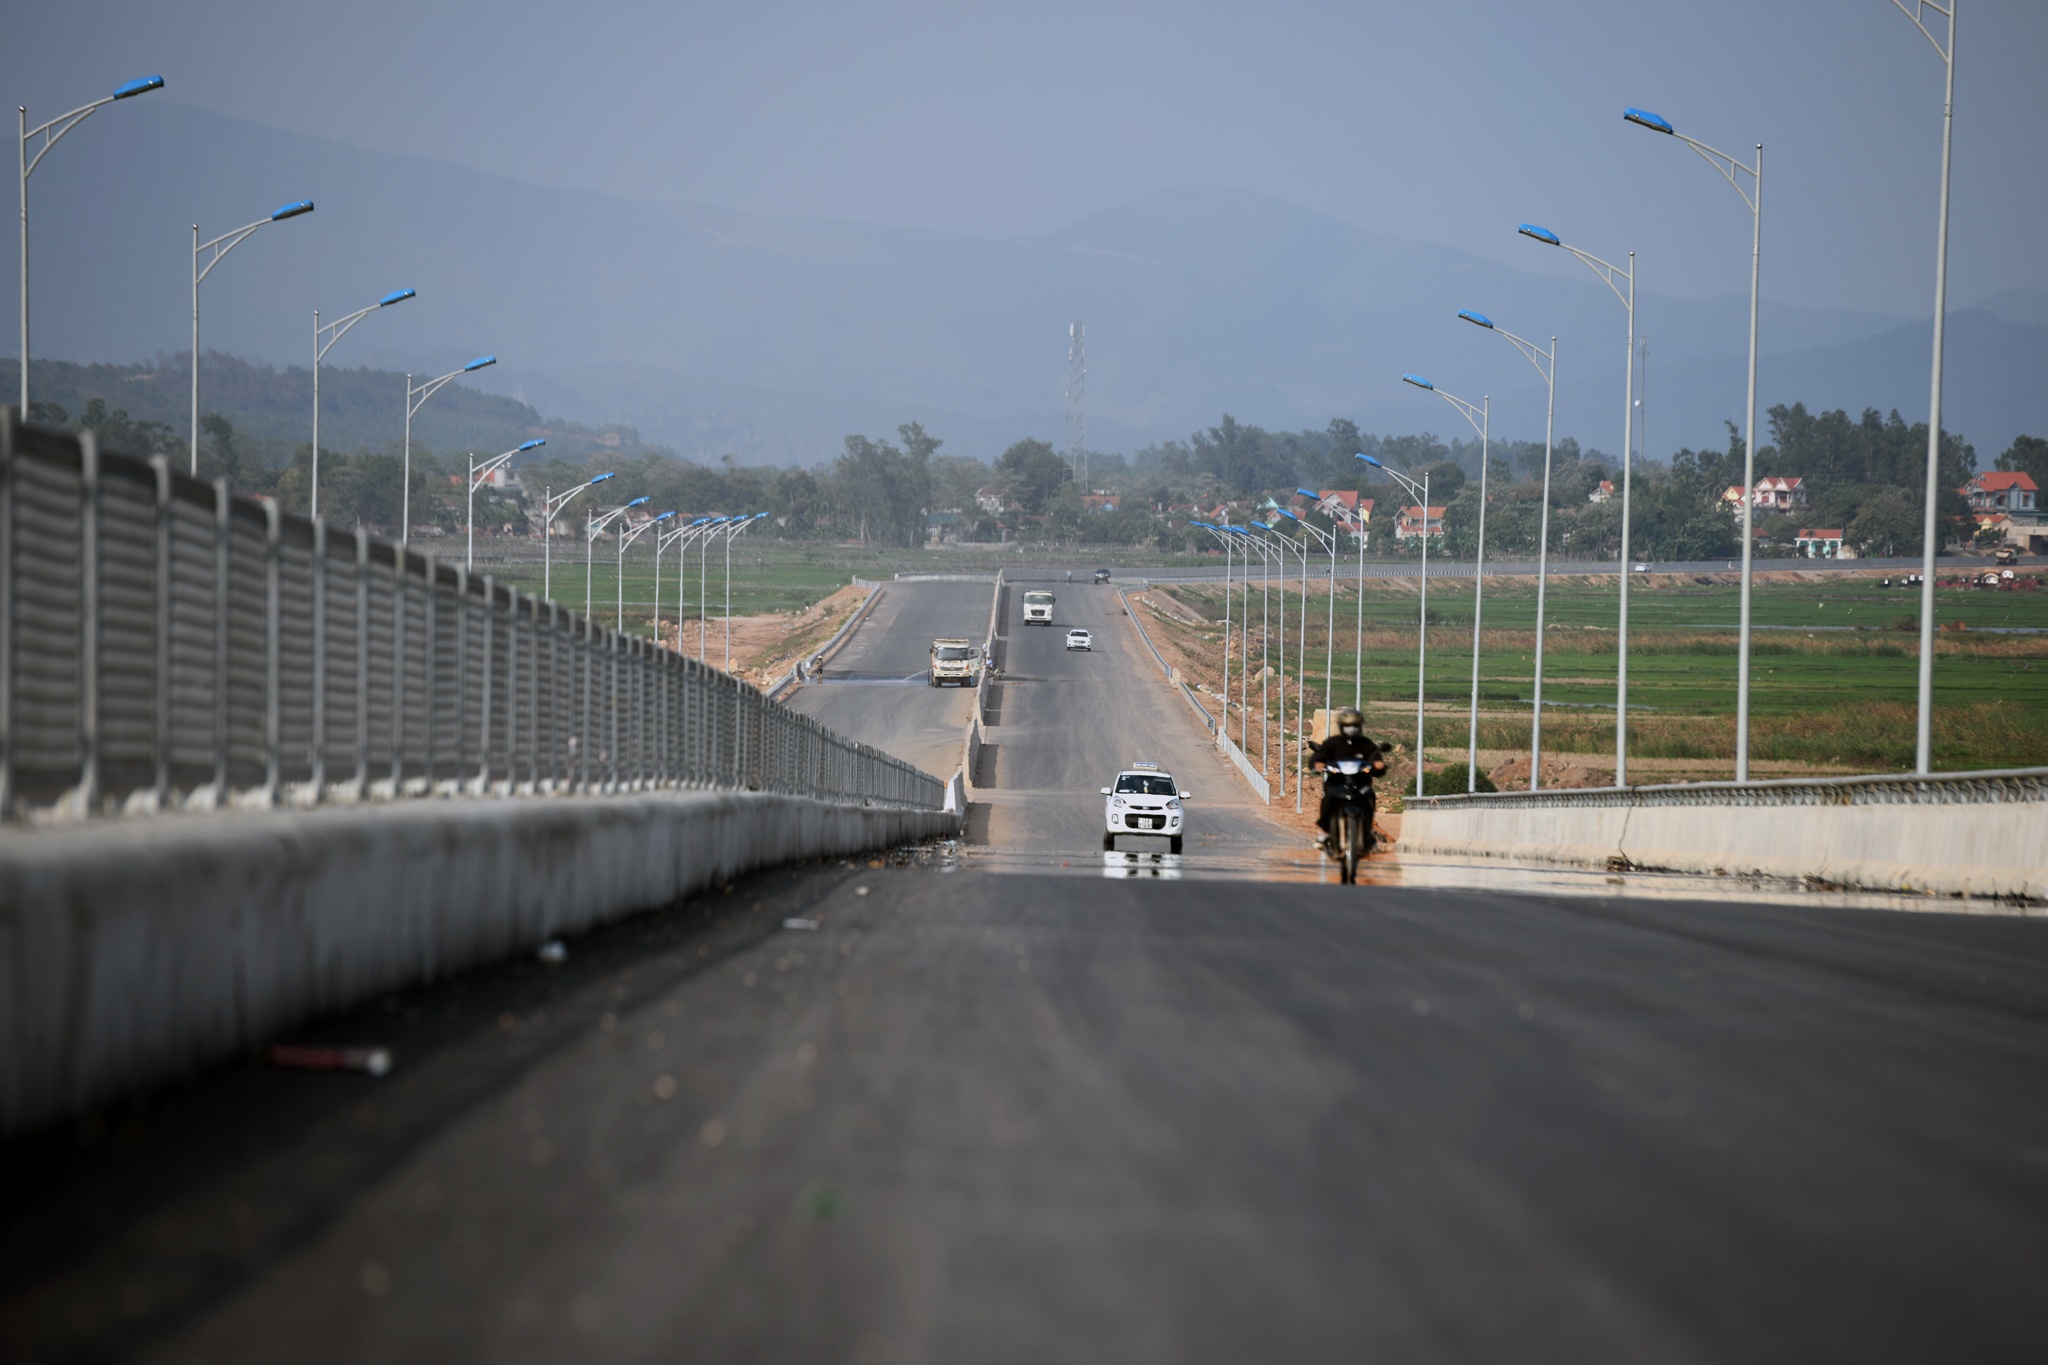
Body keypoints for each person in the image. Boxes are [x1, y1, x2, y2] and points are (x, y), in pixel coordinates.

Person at [1308, 707, 1386, 849]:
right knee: (1327, 801)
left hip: (1360, 785)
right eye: (1348, 725)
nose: (1352, 729)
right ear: (1342, 726)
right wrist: (1318, 763)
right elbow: (1320, 756)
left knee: (1370, 797)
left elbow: (1375, 758)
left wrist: (1378, 765)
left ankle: (1367, 830)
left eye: (1354, 725)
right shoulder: (1332, 743)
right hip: (1337, 784)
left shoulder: (1366, 744)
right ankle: (1324, 832)